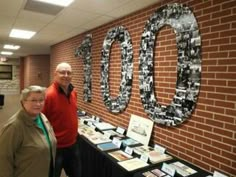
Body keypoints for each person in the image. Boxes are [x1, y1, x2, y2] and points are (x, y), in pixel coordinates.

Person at [0, 85, 57, 177]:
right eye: (33, 100)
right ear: (23, 102)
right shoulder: (14, 126)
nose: (38, 104)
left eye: (41, 100)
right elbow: (3, 159)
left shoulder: (42, 117)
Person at [42, 62, 81, 177]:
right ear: (55, 74)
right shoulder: (48, 95)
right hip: (55, 149)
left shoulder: (74, 92)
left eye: (69, 73)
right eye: (62, 72)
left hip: (73, 145)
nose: (66, 75)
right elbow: (41, 122)